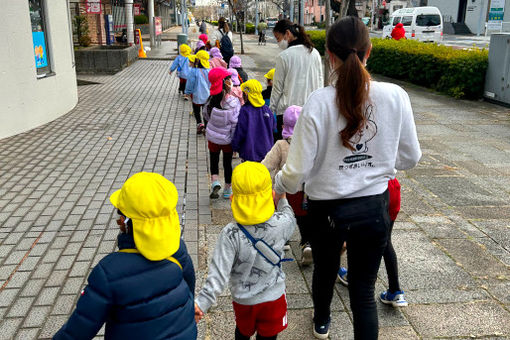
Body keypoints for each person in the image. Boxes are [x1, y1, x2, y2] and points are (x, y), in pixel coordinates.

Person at [273, 17, 421, 339]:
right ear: (369, 51)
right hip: (373, 208)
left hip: (326, 211)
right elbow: (411, 157)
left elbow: (296, 172)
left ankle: (322, 322)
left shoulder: (318, 102)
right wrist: (377, 163)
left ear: (329, 54)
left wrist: (278, 187)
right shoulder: (396, 96)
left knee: (325, 271)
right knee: (364, 292)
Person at [54, 172, 196, 339]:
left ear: (127, 222)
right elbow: (189, 286)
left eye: (120, 216)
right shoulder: (177, 248)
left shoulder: (109, 271)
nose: (119, 220)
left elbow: (78, 329)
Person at [195, 161, 296, 340]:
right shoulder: (283, 223)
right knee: (269, 337)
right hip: (274, 299)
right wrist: (282, 198)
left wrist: (202, 303)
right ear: (270, 195)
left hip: (243, 301)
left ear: (233, 199)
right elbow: (289, 215)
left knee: (242, 332)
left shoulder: (230, 234)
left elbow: (218, 274)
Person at [262, 105, 313, 266]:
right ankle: (307, 243)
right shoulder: (309, 143)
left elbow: (266, 165)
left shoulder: (281, 145)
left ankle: (284, 239)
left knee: (283, 215)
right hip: (306, 192)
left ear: (284, 126)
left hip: (284, 191)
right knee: (304, 219)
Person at [270, 19, 324, 141]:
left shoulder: (284, 57)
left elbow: (277, 88)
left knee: (285, 152)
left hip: (287, 115)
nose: (278, 42)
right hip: (309, 112)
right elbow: (320, 83)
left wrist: (270, 110)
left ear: (287, 34)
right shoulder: (314, 53)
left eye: (278, 38)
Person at [203, 67, 241, 199]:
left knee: (213, 160)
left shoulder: (210, 100)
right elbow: (236, 123)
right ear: (225, 82)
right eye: (229, 79)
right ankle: (227, 189)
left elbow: (205, 116)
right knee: (227, 163)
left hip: (213, 138)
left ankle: (214, 182)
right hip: (227, 140)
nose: (231, 81)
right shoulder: (234, 103)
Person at [232, 79, 275, 162]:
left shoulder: (244, 111)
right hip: (266, 152)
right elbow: (273, 128)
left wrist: (235, 146)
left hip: (249, 153)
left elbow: (240, 132)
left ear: (247, 95)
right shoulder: (267, 110)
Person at [185, 50, 211, 134]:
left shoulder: (193, 71)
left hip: (196, 95)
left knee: (196, 111)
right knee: (205, 112)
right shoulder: (209, 71)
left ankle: (199, 124)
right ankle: (206, 126)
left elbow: (190, 83)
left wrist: (188, 92)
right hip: (207, 96)